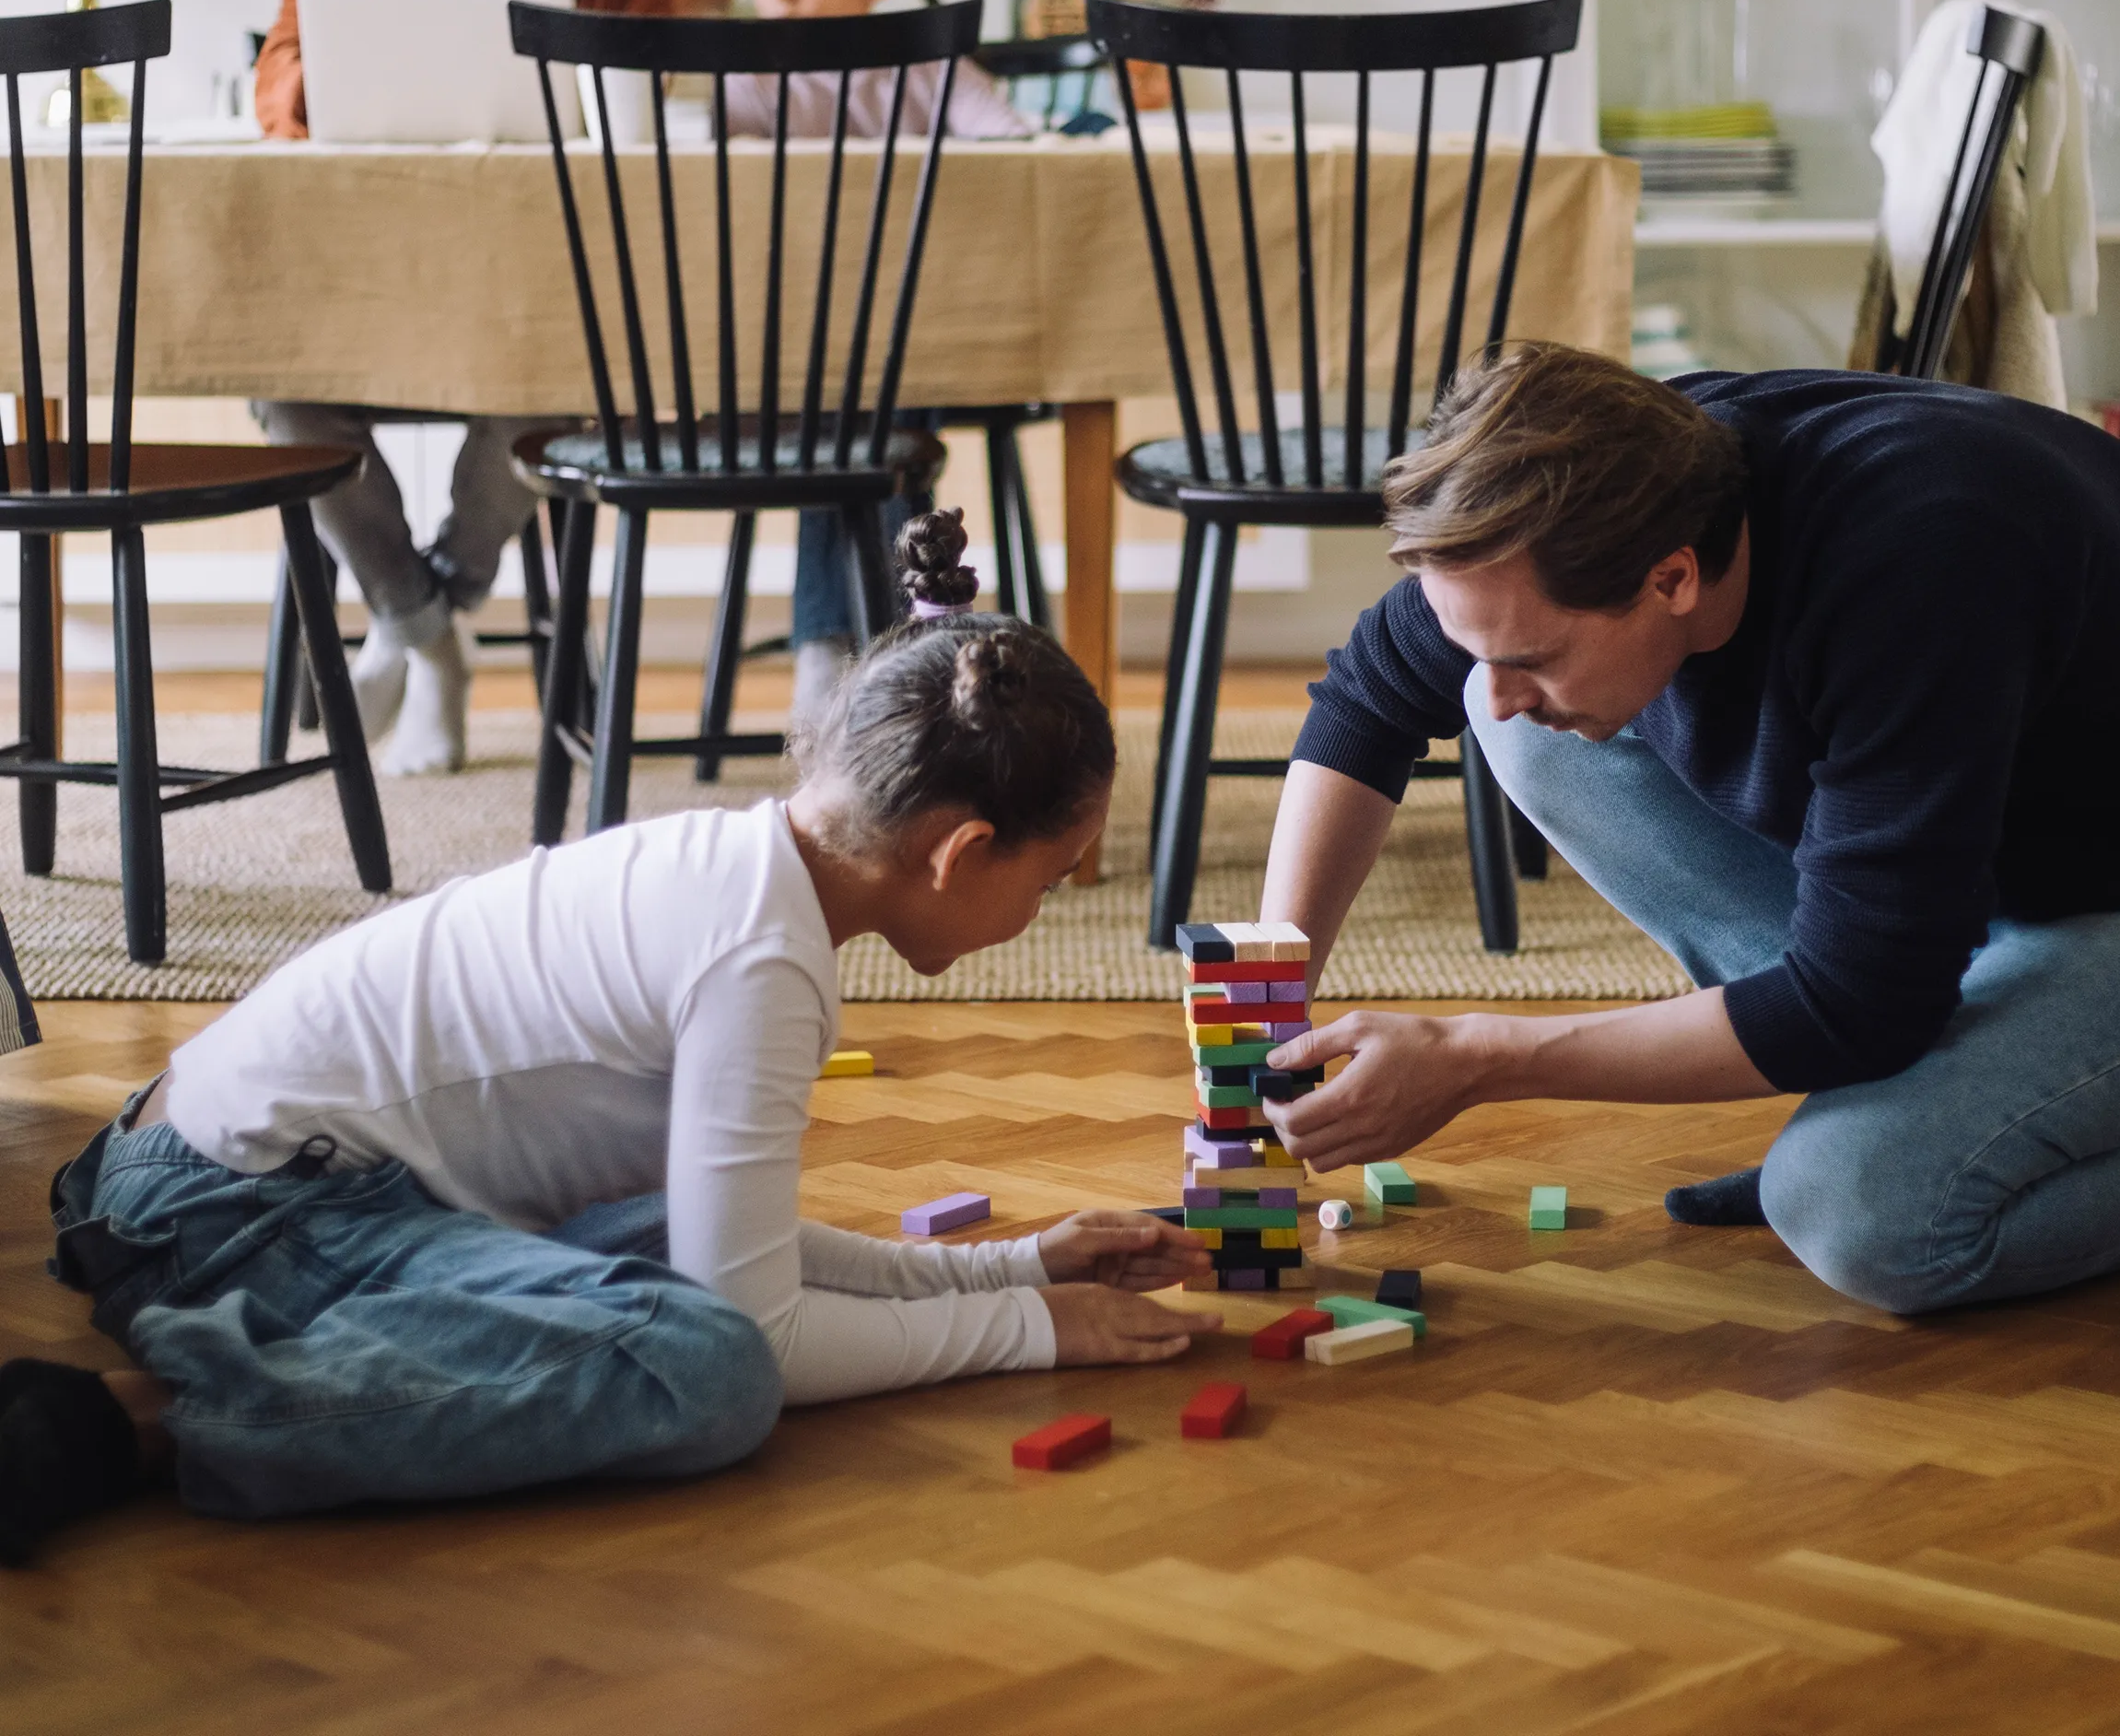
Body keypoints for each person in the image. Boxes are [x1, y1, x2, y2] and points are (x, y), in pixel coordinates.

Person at [0, 511, 1216, 1567]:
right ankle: (140, 1415)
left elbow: (734, 1259)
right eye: (1048, 880)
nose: (1043, 908)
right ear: (957, 854)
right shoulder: (758, 957)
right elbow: (765, 1341)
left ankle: (279, 1347)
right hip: (227, 1219)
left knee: (682, 1248)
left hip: (220, 1173)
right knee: (707, 1377)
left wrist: (1005, 1270)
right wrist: (1028, 1333)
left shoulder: (748, 878)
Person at [1255, 342, 2120, 1316]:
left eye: (1530, 652)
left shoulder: (1922, 560)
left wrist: (1477, 1058)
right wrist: (1270, 988)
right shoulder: (1593, 493)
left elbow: (1860, 1002)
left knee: (1862, 1214)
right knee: (1522, 729)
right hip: (1975, 880)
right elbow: (1368, 700)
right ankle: (2016, 1085)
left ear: (1672, 576)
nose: (1494, 684)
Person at [251, 0, 680, 776]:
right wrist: (362, 76)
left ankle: (414, 624)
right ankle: (433, 636)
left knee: (555, 386)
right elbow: (277, 77)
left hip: (534, 283)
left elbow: (657, 48)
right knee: (283, 392)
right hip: (366, 266)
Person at [731, 0, 1037, 735]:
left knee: (875, 376)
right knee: (845, 387)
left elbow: (1018, 155)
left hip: (928, 338)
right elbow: (718, 195)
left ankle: (834, 646)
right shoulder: (748, 75)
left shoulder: (929, 64)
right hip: (794, 351)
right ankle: (897, 641)